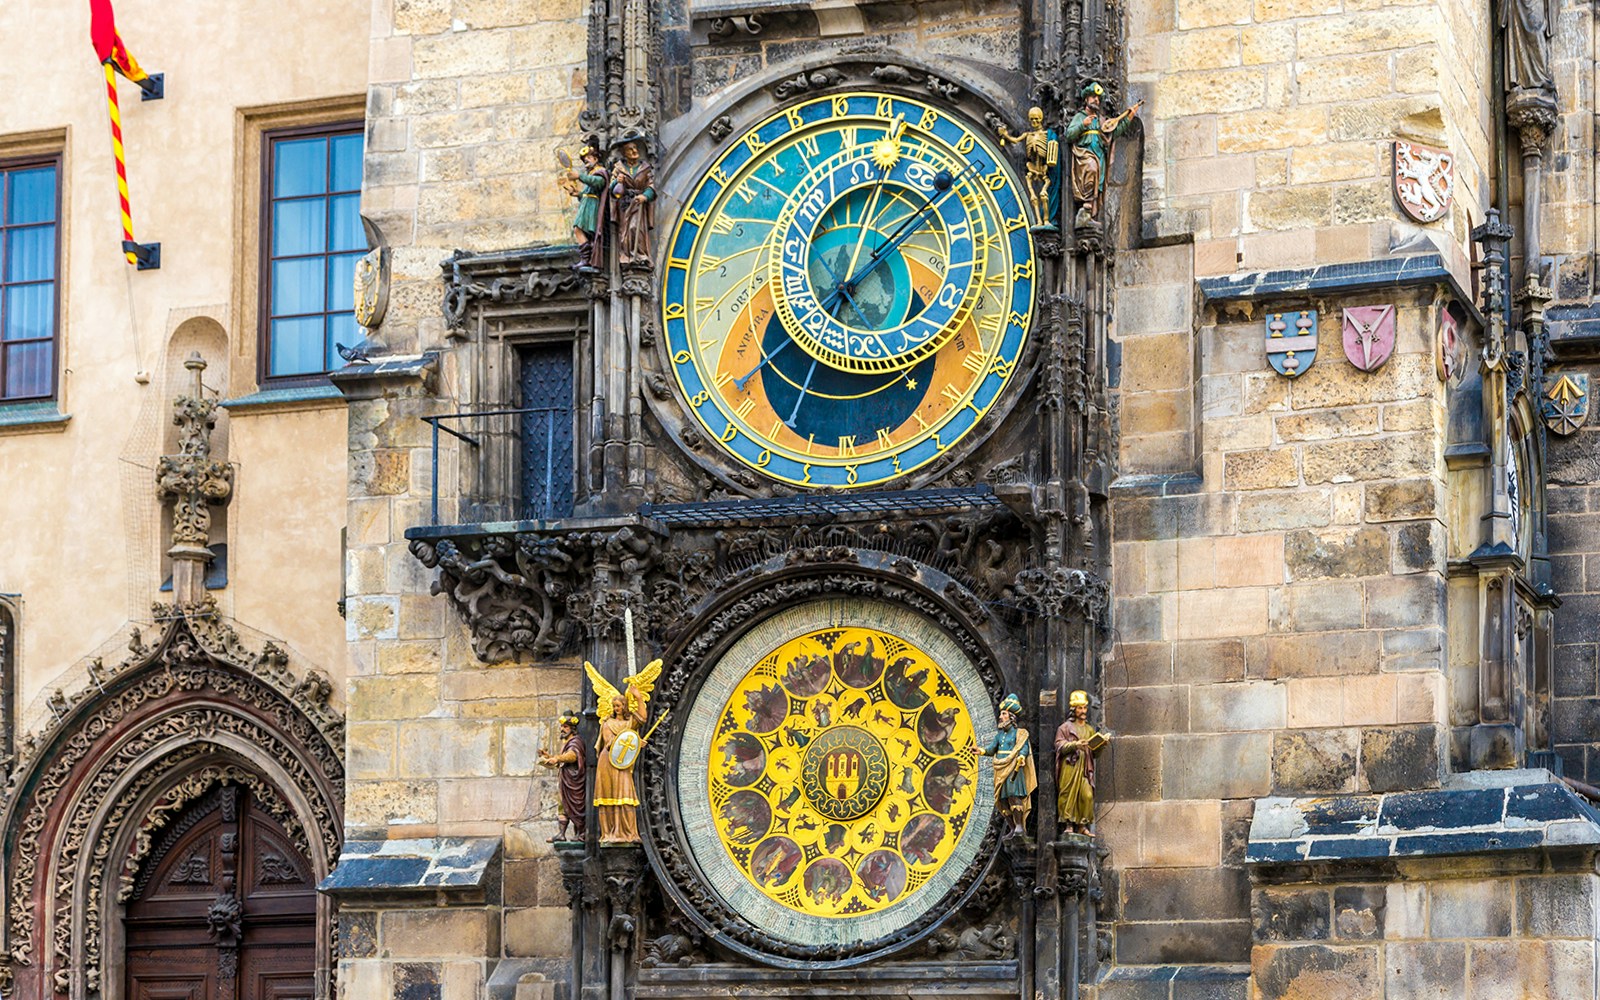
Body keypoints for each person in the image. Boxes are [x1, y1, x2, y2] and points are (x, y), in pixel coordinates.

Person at [1061, 82, 1141, 226]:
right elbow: (1069, 135)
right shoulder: (1080, 117)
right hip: (1084, 155)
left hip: (1100, 156)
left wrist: (1129, 117)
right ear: (1086, 99)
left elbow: (1114, 132)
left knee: (1097, 182)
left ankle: (1088, 215)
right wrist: (1082, 125)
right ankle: (1083, 214)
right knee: (1090, 170)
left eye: (1098, 98)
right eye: (1093, 97)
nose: (1096, 100)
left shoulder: (1101, 121)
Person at [977, 693, 1037, 839]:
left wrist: (1022, 757)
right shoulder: (999, 736)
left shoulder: (1019, 734)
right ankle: (1011, 827)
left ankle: (1019, 826)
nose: (1000, 717)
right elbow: (992, 749)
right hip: (1001, 769)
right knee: (1002, 801)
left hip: (1013, 769)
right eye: (1001, 714)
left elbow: (1023, 748)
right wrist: (981, 751)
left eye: (1003, 714)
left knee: (1014, 798)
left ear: (1011, 717)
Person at [997, 107, 1060, 229]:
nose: (1034, 122)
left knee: (1043, 195)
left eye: (1036, 119)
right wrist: (1005, 135)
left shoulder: (1047, 135)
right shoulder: (1027, 134)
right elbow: (1015, 140)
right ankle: (1038, 221)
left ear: (1041, 119)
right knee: (1033, 197)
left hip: (1043, 168)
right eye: (1032, 120)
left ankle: (1046, 220)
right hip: (1031, 168)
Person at [1055, 690, 1104, 835]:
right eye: (1079, 708)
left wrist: (1101, 746)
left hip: (1084, 767)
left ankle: (1082, 826)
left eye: (1084, 708)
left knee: (1087, 795)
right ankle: (1069, 824)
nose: (1083, 711)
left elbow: (1094, 753)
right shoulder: (1064, 728)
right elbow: (1059, 745)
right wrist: (1075, 745)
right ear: (1074, 710)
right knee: (1068, 794)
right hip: (1070, 766)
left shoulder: (1089, 730)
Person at [538, 710, 587, 842]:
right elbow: (561, 760)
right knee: (563, 807)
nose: (562, 729)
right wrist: (548, 757)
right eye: (562, 727)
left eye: (565, 727)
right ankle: (561, 834)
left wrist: (558, 758)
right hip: (565, 781)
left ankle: (582, 833)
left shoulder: (576, 742)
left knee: (576, 807)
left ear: (572, 728)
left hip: (574, 782)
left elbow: (572, 756)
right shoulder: (566, 743)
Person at [610, 139, 656, 267]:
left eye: (635, 148)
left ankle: (640, 254)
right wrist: (616, 182)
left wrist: (645, 196)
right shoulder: (619, 169)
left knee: (635, 228)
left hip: (638, 203)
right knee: (624, 232)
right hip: (624, 205)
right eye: (630, 149)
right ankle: (627, 255)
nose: (635, 151)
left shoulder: (645, 168)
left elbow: (651, 187)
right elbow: (611, 189)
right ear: (624, 154)